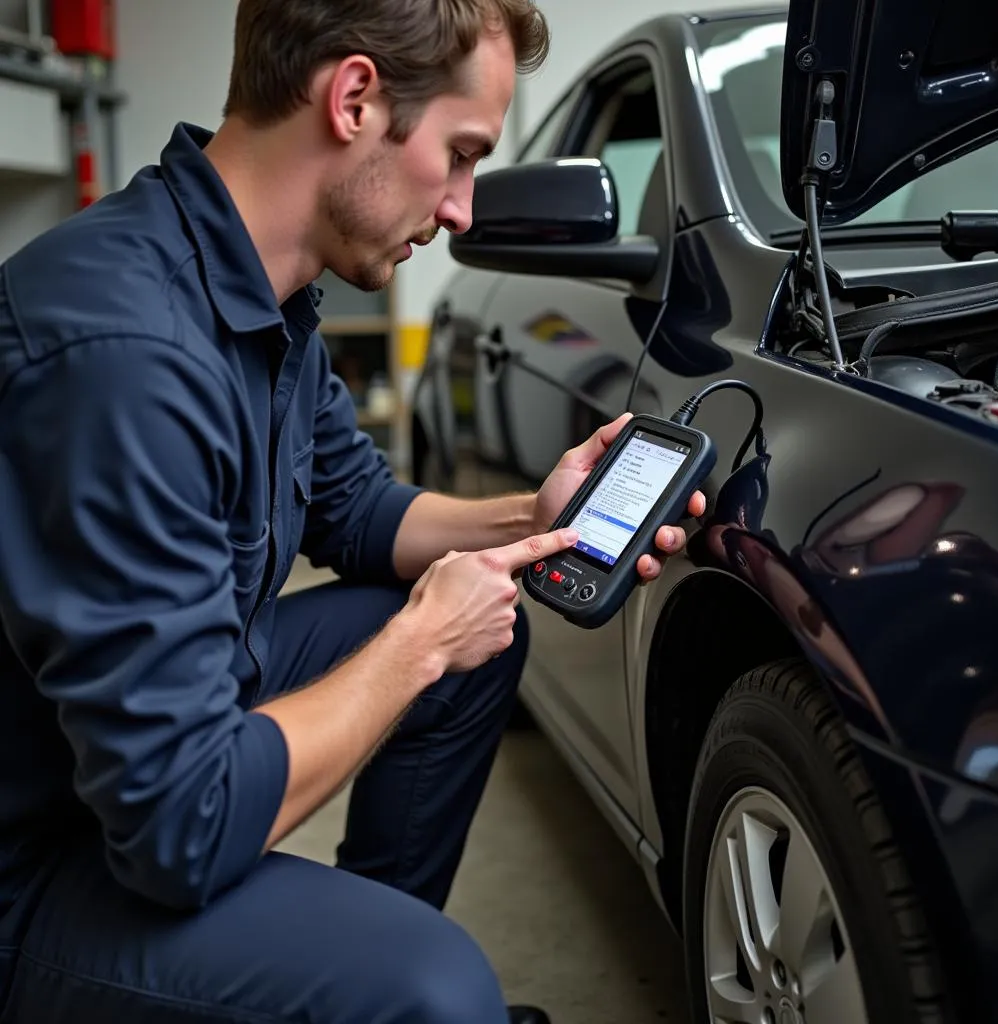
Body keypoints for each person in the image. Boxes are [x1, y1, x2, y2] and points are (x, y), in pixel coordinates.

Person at [0, 1, 705, 1021]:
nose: (462, 207)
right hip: (40, 860)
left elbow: (359, 509)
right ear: (356, 98)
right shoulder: (123, 361)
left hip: (123, 752)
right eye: (460, 154)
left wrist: (531, 517)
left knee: (482, 640)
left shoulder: (259, 292)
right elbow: (179, 824)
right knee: (439, 987)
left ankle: (316, 981)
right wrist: (418, 641)